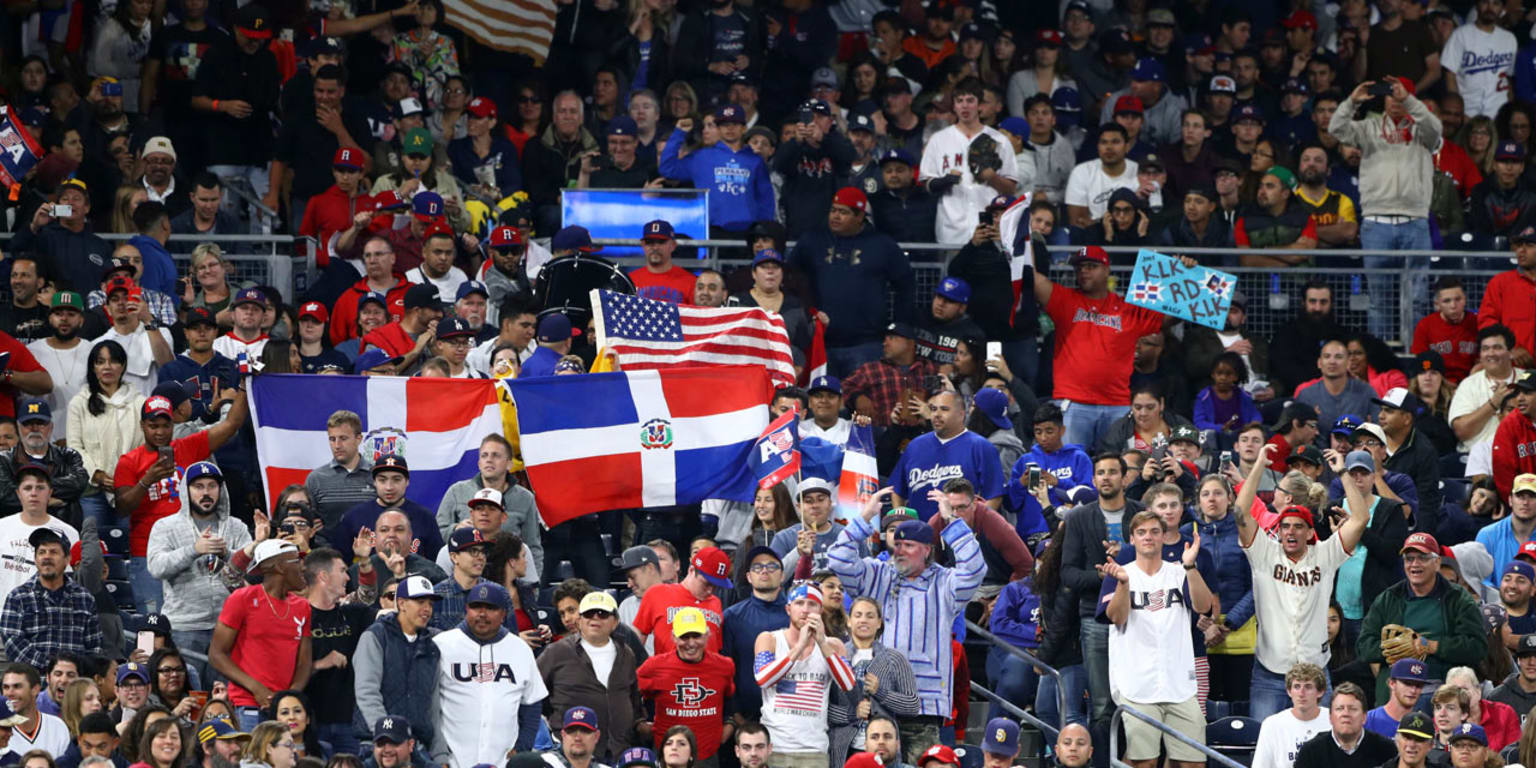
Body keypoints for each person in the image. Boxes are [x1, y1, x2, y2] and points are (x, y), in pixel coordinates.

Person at [828, 488, 982, 763]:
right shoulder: (876, 573)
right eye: (897, 545)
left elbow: (975, 569)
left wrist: (951, 522)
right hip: (877, 703)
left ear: (927, 550)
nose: (899, 552)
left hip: (924, 704)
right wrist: (864, 518)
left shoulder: (945, 583)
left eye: (908, 546)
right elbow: (838, 558)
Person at [1237, 443, 1373, 722]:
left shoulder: (1324, 554)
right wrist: (1258, 467)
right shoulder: (1264, 553)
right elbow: (1241, 513)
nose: (1290, 531)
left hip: (1314, 673)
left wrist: (1344, 472)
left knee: (1320, 749)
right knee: (1265, 748)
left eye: (1298, 526)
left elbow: (1360, 518)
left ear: (1310, 531)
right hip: (1269, 672)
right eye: (1285, 526)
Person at [114, 381, 247, 615]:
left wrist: (244, 387)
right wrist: (147, 480)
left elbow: (231, 423)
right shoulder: (129, 462)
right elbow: (123, 507)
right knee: (150, 625)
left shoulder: (189, 447)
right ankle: (146, 653)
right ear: (142, 425)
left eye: (165, 426)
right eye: (153, 426)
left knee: (191, 621)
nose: (159, 432)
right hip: (148, 556)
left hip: (191, 551)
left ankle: (189, 653)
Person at [1096, 508, 1212, 768]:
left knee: (1193, 763)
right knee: (1144, 762)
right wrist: (1124, 585)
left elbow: (1204, 607)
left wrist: (1190, 566)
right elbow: (1117, 617)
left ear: (1163, 537)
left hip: (1179, 684)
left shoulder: (1179, 572)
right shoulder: (1118, 574)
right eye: (1141, 532)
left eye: (1154, 532)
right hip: (1136, 684)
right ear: (1132, 539)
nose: (1148, 537)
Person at [1034, 245, 1165, 451]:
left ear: (1107, 270)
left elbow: (1170, 316)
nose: (1083, 271)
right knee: (1070, 468)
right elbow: (1035, 279)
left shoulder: (1127, 308)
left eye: (1091, 266)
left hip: (1117, 404)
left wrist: (1183, 274)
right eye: (1079, 267)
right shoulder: (1065, 300)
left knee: (1118, 472)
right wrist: (1024, 238)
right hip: (1073, 402)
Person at [787, 187, 914, 377]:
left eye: (843, 212)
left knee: (863, 406)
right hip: (820, 343)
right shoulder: (812, 240)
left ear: (860, 216)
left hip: (866, 344)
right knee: (819, 402)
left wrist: (897, 327)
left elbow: (906, 284)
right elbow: (790, 279)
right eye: (833, 210)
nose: (835, 216)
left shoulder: (882, 244)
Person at [145, 461, 252, 669]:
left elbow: (254, 569)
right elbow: (156, 567)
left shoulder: (236, 527)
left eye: (212, 486)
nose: (206, 493)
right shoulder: (165, 527)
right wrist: (194, 550)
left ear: (221, 490)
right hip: (184, 627)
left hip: (228, 626)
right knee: (191, 693)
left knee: (225, 696)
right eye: (199, 487)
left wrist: (227, 554)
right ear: (186, 491)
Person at [1358, 533, 1486, 705]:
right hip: (1396, 691)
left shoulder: (1458, 598)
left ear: (1437, 563)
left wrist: (1432, 646)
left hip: (1441, 690)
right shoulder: (1389, 598)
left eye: (1422, 558)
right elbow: (1363, 646)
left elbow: (1477, 647)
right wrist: (1395, 648)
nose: (1414, 564)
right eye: (1409, 559)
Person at [431, 582, 545, 768]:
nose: (482, 614)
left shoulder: (520, 649)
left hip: (503, 761)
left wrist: (522, 748)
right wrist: (438, 754)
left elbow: (531, 703)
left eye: (490, 608)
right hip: (453, 761)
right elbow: (429, 706)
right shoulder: (442, 645)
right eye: (476, 607)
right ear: (466, 609)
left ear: (503, 613)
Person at [208, 540, 312, 731]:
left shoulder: (303, 606)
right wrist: (257, 689)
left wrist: (289, 697)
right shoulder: (242, 599)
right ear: (280, 567)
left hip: (285, 709)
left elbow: (304, 661)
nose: (303, 567)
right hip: (248, 704)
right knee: (252, 761)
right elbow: (216, 655)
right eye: (296, 561)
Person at [752, 584, 854, 767]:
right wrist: (799, 647)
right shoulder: (769, 639)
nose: (806, 610)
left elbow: (848, 684)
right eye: (799, 603)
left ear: (821, 610)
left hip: (813, 749)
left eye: (812, 604)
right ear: (788, 609)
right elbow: (763, 679)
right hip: (774, 745)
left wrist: (822, 642)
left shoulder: (834, 645)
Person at [537, 591, 645, 761]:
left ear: (615, 622)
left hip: (618, 750)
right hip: (571, 753)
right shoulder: (557, 652)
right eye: (588, 613)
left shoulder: (627, 654)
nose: (595, 618)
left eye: (602, 614)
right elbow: (534, 694)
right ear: (579, 620)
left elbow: (633, 697)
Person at [919, 78, 1019, 244]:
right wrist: (944, 181)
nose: (964, 106)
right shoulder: (938, 139)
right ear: (954, 106)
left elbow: (1011, 188)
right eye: (959, 101)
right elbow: (926, 183)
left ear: (979, 105)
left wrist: (992, 177)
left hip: (990, 228)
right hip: (952, 229)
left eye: (970, 100)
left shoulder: (999, 140)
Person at [353, 574, 440, 757]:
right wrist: (389, 737)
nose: (427, 609)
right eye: (420, 602)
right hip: (377, 745)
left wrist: (440, 754)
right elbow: (367, 693)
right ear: (401, 604)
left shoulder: (431, 648)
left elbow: (433, 706)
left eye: (430, 604)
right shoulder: (376, 636)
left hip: (418, 747)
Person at [637, 606, 735, 766]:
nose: (691, 643)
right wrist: (639, 722)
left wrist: (730, 723)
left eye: (696, 636)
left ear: (707, 635)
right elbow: (628, 692)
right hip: (667, 755)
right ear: (674, 638)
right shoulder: (654, 666)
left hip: (707, 755)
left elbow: (730, 699)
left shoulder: (724, 666)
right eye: (684, 637)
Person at [657, 105, 775, 236]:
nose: (730, 128)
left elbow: (766, 199)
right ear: (718, 129)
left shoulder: (755, 160)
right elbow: (667, 168)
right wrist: (679, 133)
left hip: (749, 232)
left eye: (735, 124)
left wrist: (764, 232)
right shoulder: (701, 157)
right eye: (725, 125)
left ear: (744, 128)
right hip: (712, 230)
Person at [828, 597, 919, 762]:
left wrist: (881, 693)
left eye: (870, 616)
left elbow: (912, 705)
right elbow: (822, 708)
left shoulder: (895, 659)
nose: (863, 620)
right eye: (858, 615)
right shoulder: (834, 657)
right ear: (849, 621)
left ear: (879, 623)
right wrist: (851, 713)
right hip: (842, 750)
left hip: (885, 752)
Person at [889, 392, 1005, 520]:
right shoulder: (915, 446)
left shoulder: (981, 447)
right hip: (919, 534)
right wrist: (899, 521)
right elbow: (897, 491)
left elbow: (994, 496)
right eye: (933, 409)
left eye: (944, 409)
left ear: (961, 414)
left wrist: (974, 527)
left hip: (964, 534)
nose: (937, 414)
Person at [1, 528, 101, 669]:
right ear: (35, 559)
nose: (46, 557)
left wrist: (73, 672)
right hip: (34, 682)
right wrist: (54, 668)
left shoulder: (85, 598)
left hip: (75, 683)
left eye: (53, 552)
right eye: (42, 552)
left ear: (67, 559)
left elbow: (94, 646)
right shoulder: (18, 597)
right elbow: (13, 644)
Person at [333, 455, 444, 561]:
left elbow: (437, 564)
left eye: (396, 479)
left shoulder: (425, 518)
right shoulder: (353, 517)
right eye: (382, 480)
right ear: (374, 482)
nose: (389, 487)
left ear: (407, 481)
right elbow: (340, 564)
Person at [633, 547, 730, 655]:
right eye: (706, 584)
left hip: (707, 670)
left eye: (716, 587)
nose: (710, 591)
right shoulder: (657, 594)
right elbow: (636, 640)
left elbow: (717, 649)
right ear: (691, 570)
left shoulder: (716, 603)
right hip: (668, 670)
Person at [1294, 681, 1399, 768]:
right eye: (1339, 709)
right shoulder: (1311, 752)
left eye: (1352, 709)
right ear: (1330, 717)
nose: (1345, 714)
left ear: (1364, 717)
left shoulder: (1386, 749)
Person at [1252, 663, 1331, 768]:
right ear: (1289, 691)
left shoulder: (1334, 721)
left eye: (1308, 687)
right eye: (1297, 687)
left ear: (1320, 692)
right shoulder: (1271, 725)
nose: (1301, 693)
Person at [0, 665, 70, 756]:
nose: (9, 693)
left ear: (35, 689)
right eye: (6, 687)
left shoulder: (57, 726)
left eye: (17, 686)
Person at [629, 221, 695, 305]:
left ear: (673, 245)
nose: (655, 247)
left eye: (661, 242)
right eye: (649, 242)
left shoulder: (691, 282)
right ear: (643, 245)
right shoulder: (630, 280)